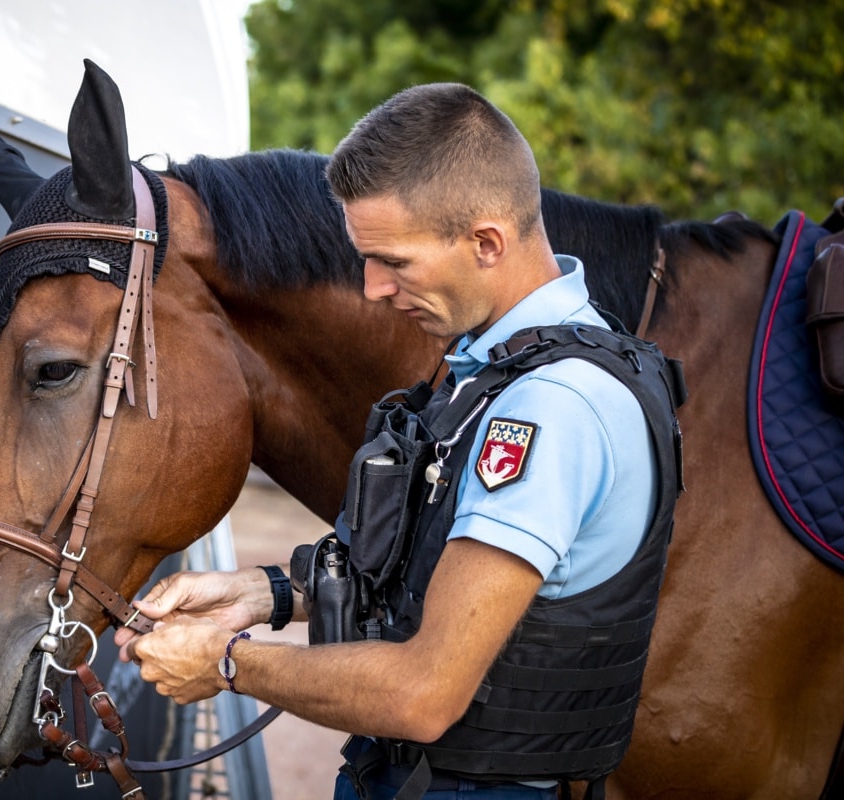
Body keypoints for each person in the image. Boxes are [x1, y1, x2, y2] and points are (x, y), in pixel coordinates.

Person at [114, 82, 682, 799]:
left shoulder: (551, 407)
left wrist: (228, 662)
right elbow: (426, 577)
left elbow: (425, 692)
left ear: (486, 242)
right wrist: (262, 595)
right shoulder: (496, 370)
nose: (374, 288)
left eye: (394, 262)